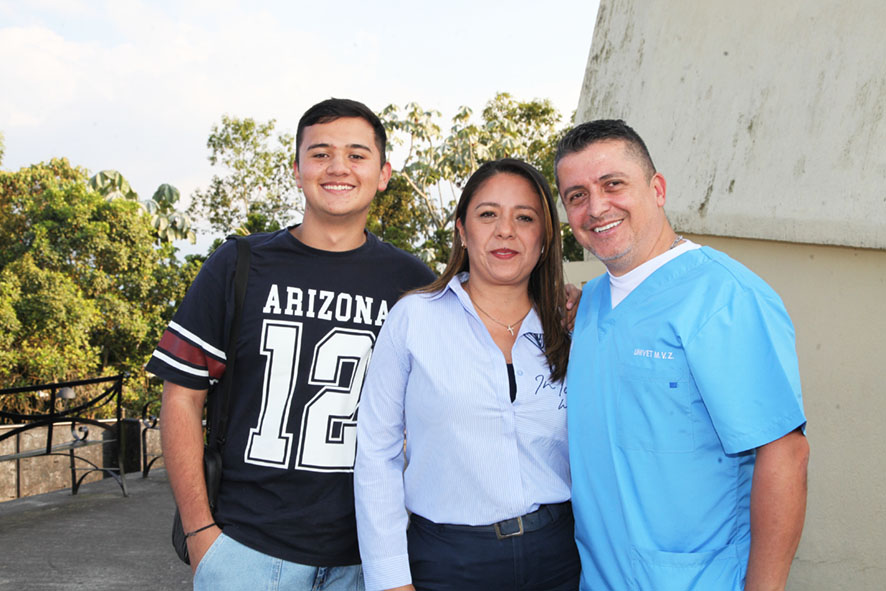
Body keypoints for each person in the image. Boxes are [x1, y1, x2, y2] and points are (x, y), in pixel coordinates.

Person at [146, 98, 435, 590]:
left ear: (383, 173)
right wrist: (199, 532)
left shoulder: (413, 282)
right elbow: (181, 396)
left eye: (357, 155)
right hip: (247, 553)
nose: (338, 167)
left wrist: (566, 300)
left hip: (368, 558)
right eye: (320, 153)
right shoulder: (238, 263)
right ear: (296, 169)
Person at [556, 119, 810, 591]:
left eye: (613, 184)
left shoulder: (724, 296)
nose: (596, 207)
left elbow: (786, 454)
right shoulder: (588, 305)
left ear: (657, 189)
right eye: (576, 195)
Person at [354, 158, 580, 591]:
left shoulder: (572, 326)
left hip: (560, 558)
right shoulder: (414, 319)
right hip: (448, 562)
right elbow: (376, 454)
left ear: (545, 238)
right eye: (488, 214)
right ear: (462, 228)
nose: (506, 230)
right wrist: (389, 580)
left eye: (525, 217)